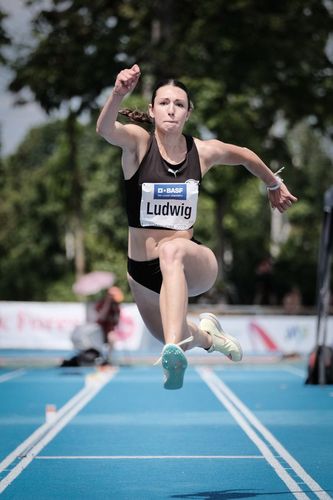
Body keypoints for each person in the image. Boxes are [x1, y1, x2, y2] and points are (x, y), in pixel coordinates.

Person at [96, 64, 297, 389]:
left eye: (179, 104)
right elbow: (105, 129)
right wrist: (118, 94)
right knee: (181, 333)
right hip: (142, 275)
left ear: (188, 112)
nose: (171, 110)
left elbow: (245, 155)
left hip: (192, 264)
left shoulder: (201, 152)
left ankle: (173, 351)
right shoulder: (138, 144)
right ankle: (208, 337)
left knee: (171, 251)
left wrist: (273, 183)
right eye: (164, 103)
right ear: (152, 109)